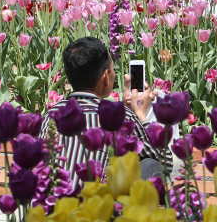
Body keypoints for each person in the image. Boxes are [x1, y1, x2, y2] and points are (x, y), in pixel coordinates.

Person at [40, 37, 172, 188]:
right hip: (96, 208)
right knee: (150, 164)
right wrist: (140, 114)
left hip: (53, 208)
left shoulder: (50, 115)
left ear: (68, 77)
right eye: (112, 69)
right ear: (105, 77)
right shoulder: (120, 118)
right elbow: (165, 161)